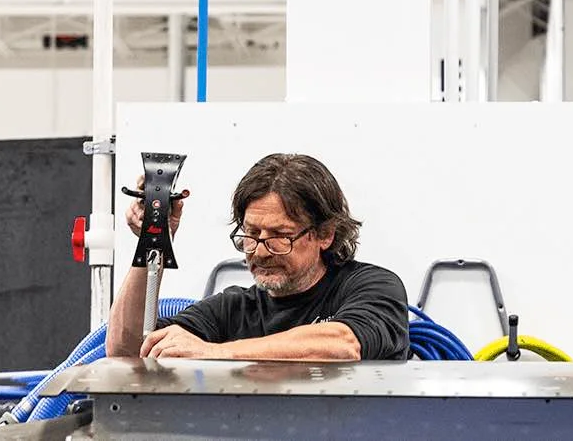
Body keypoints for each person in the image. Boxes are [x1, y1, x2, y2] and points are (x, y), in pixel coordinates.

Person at [106, 153, 409, 361]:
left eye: (280, 236)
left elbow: (342, 346)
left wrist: (213, 353)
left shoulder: (371, 287)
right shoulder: (233, 309)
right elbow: (126, 351)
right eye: (251, 235)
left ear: (325, 234)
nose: (261, 251)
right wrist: (153, 240)